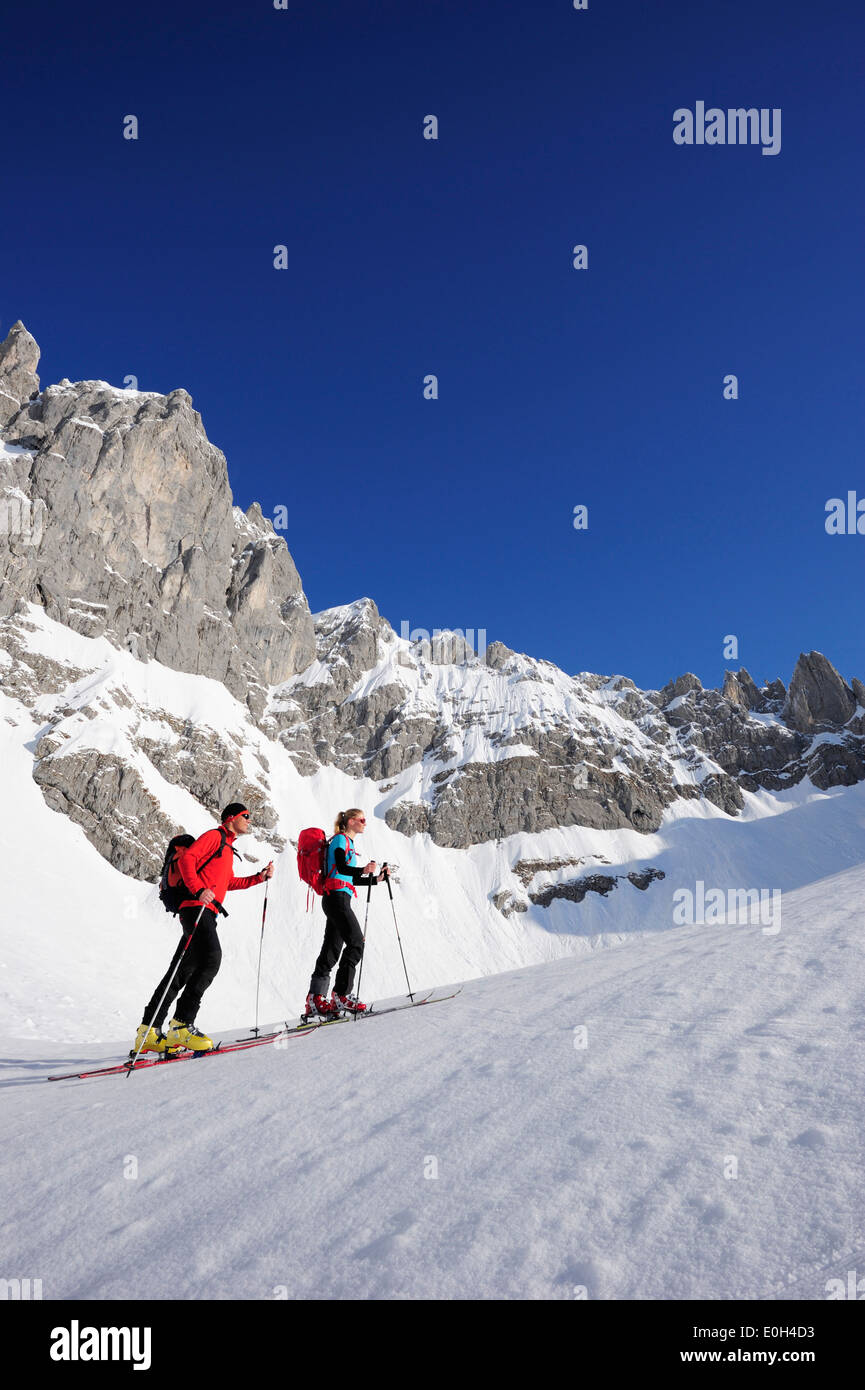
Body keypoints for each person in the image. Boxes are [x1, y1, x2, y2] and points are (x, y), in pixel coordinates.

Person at [134, 803, 274, 1055]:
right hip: (196, 908)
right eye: (246, 816)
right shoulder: (214, 836)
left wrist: (258, 877)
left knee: (180, 972)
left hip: (204, 910)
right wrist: (199, 890)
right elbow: (188, 859)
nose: (249, 821)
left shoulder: (227, 847)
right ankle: (181, 1025)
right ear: (231, 818)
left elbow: (226, 882)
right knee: (212, 958)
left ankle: (149, 1032)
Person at [304, 808, 389, 1019]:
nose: (364, 823)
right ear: (351, 821)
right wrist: (363, 869)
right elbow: (342, 867)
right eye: (361, 819)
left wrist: (376, 879)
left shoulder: (346, 843)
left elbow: (348, 877)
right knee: (356, 942)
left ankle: (315, 999)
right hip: (337, 900)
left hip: (337, 898)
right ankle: (341, 995)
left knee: (331, 949)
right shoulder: (340, 840)